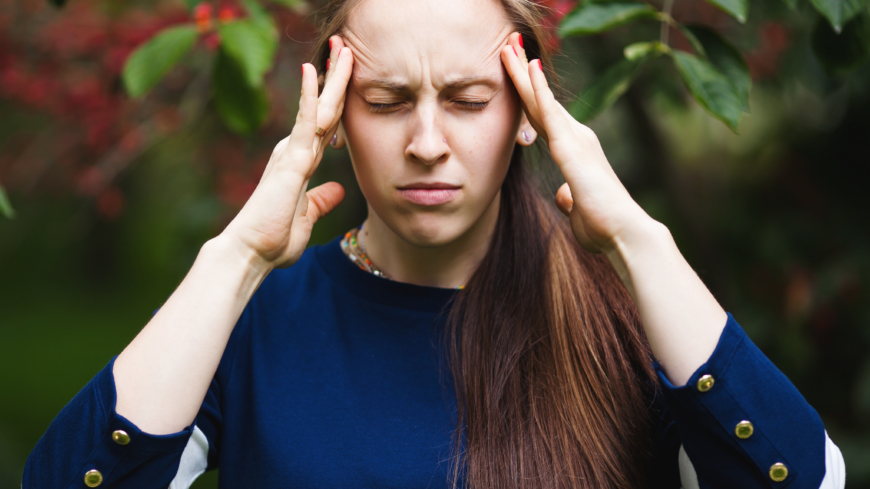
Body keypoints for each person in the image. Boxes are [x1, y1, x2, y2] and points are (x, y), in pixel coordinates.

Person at [24, 0, 847, 487]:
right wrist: (234, 257)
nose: (426, 141)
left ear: (526, 111)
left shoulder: (631, 318)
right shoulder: (251, 320)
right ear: (336, 118)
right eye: (385, 101)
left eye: (466, 98)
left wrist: (638, 240)